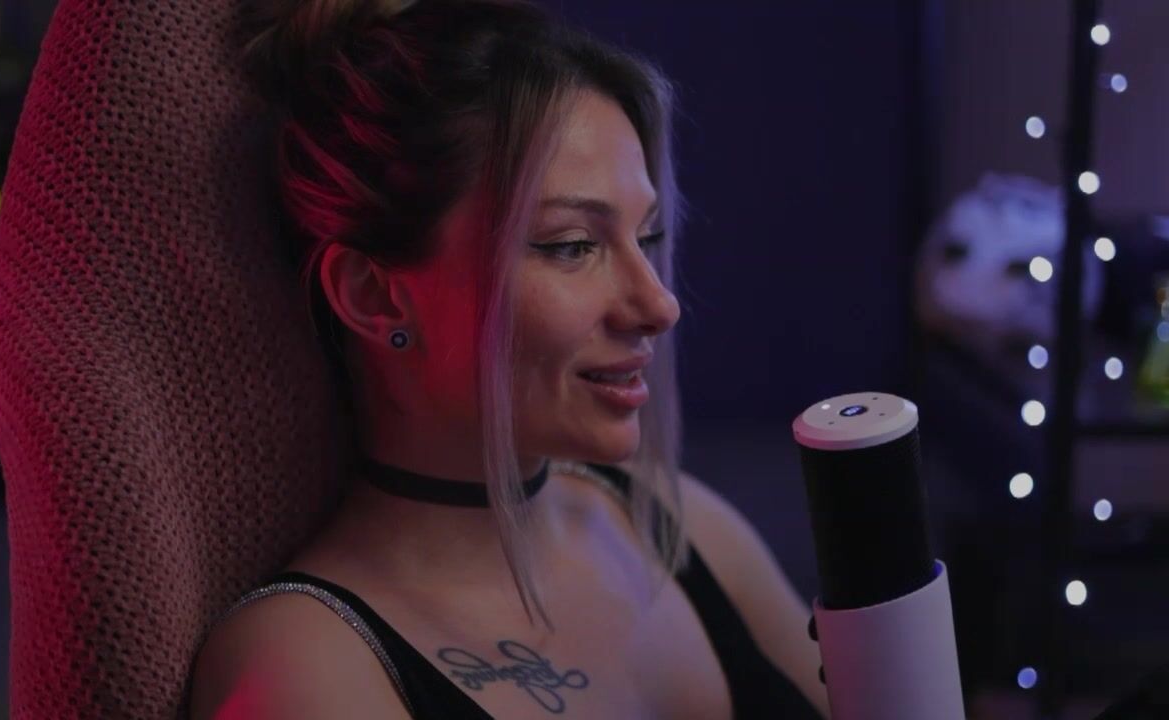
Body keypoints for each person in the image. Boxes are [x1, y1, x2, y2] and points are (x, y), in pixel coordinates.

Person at [190, 0, 830, 717]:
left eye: (646, 238)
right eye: (571, 246)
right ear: (373, 296)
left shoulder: (682, 531)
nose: (658, 304)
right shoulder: (302, 665)